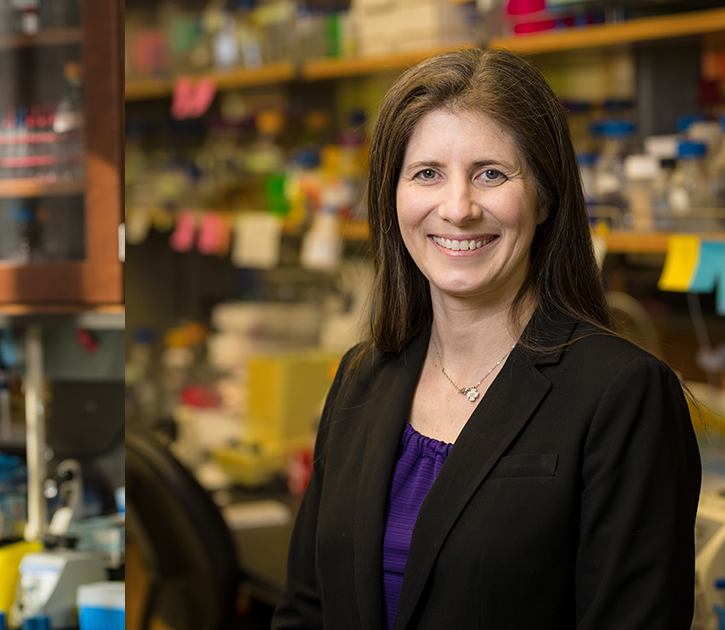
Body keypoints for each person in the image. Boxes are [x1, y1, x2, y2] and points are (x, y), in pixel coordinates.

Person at [272, 48, 700, 629]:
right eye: (427, 174)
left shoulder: (622, 395)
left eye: (491, 174)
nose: (458, 208)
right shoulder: (362, 377)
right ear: (392, 197)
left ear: (545, 197)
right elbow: (307, 608)